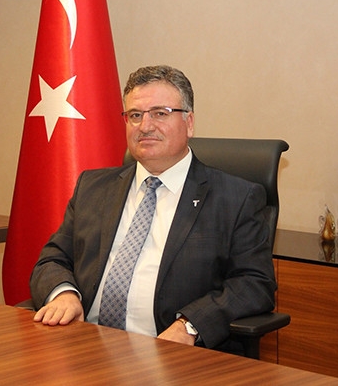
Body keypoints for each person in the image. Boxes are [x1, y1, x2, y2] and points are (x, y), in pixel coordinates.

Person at [29, 65, 276, 353]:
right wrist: (64, 294)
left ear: (189, 123)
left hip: (172, 355)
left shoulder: (235, 198)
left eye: (160, 113)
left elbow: (254, 283)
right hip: (85, 347)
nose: (145, 126)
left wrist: (190, 325)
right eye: (135, 115)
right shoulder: (93, 187)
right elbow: (53, 259)